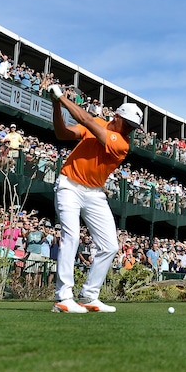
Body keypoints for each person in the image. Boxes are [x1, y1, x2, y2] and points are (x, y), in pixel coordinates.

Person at [48, 83, 143, 313]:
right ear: (117, 116)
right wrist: (55, 107)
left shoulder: (121, 144)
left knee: (110, 245)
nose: (129, 130)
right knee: (71, 238)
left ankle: (89, 295)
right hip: (69, 186)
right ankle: (63, 297)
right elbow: (63, 133)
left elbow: (87, 121)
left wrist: (61, 98)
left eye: (133, 128)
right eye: (128, 124)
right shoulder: (99, 126)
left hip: (95, 194)